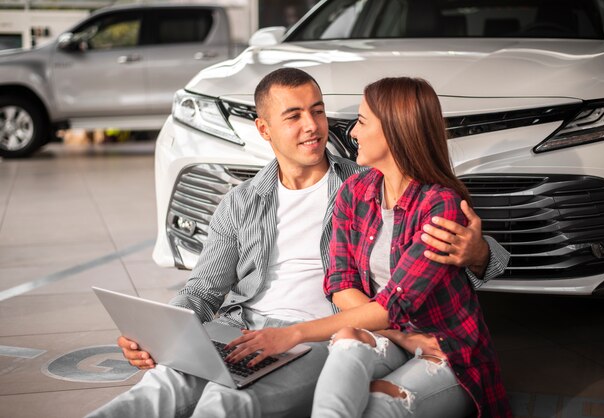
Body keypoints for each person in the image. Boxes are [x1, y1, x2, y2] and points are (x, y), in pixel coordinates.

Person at [87, 69, 508, 418]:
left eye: (318, 111)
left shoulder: (358, 184)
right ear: (264, 129)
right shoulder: (241, 201)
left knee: (226, 403)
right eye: (294, 116)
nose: (313, 126)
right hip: (241, 328)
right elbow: (202, 289)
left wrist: (481, 254)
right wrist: (158, 334)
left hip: (316, 339)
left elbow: (441, 251)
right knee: (154, 391)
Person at [227, 77, 511, 417]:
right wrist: (400, 336)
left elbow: (395, 304)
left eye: (362, 122)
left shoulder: (440, 206)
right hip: (389, 337)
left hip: (442, 348)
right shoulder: (355, 191)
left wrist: (292, 334)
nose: (352, 133)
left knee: (377, 404)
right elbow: (340, 282)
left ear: (394, 130)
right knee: (347, 337)